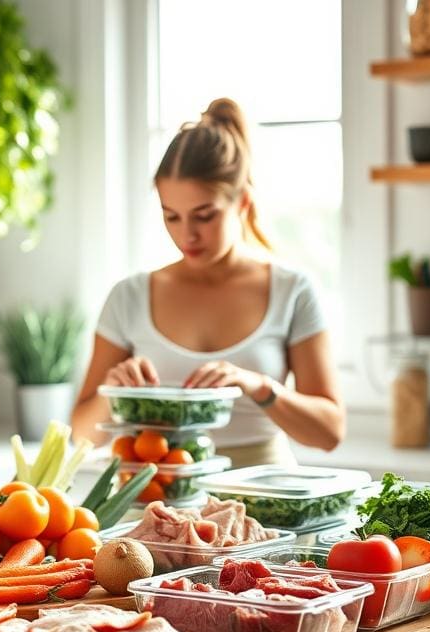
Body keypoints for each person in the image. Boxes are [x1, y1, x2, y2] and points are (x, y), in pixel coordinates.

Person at [71, 97, 345, 467]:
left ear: (243, 203)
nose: (188, 235)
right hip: (162, 500)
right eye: (172, 217)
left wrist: (259, 387)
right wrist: (114, 392)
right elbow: (81, 435)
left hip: (264, 500)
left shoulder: (292, 291)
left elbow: (330, 432)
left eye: (204, 216)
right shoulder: (129, 296)